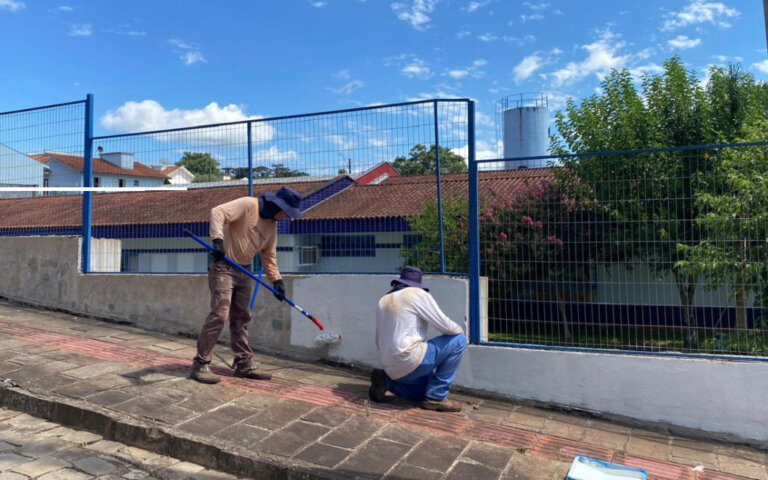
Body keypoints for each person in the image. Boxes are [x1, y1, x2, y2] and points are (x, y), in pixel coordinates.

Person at [189, 186, 303, 384]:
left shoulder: (272, 226)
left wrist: (277, 280)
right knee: (220, 313)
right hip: (224, 266)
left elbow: (269, 255)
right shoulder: (249, 205)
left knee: (242, 316)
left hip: (245, 270)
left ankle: (244, 364)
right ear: (278, 205)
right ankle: (200, 364)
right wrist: (218, 240)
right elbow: (217, 212)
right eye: (286, 212)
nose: (286, 217)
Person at [369, 266, 467, 412]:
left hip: (389, 366)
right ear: (417, 283)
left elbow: (378, 339)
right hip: (409, 361)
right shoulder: (417, 294)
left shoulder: (383, 300)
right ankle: (437, 397)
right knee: (459, 340)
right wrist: (461, 333)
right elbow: (446, 325)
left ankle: (386, 382)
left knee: (423, 393)